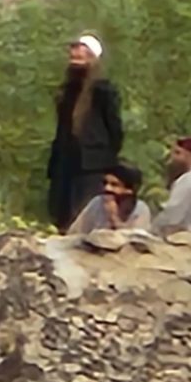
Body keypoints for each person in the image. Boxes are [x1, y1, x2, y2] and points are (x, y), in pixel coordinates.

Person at [47, 33, 124, 233]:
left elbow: (114, 128)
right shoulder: (66, 91)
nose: (75, 55)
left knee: (85, 213)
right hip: (66, 164)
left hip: (91, 165)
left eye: (81, 52)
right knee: (64, 216)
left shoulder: (103, 90)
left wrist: (105, 157)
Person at [68, 164, 151, 233]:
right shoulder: (97, 203)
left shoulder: (140, 209)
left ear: (129, 190)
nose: (107, 188)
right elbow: (75, 233)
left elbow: (136, 243)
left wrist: (113, 217)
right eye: (105, 183)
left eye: (114, 185)